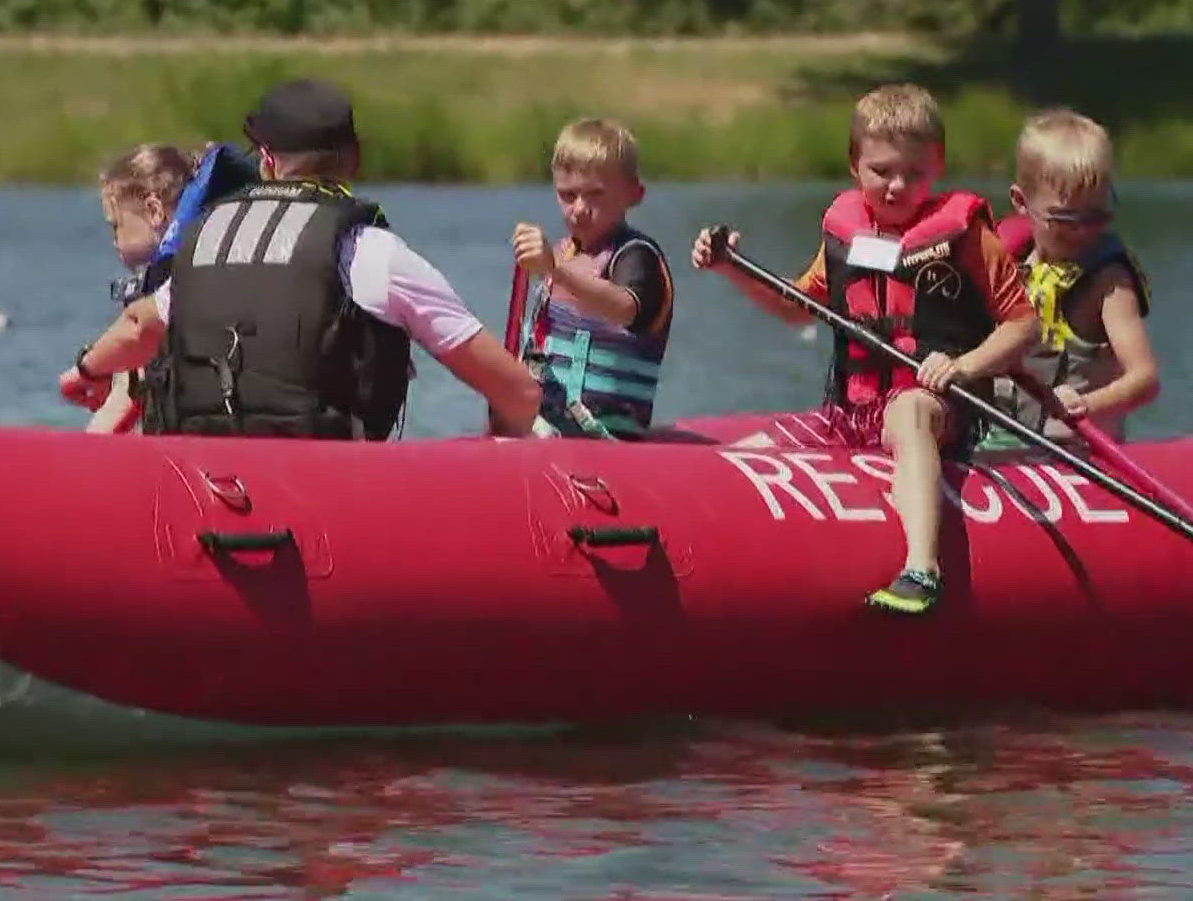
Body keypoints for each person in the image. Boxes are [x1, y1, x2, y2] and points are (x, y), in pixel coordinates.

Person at [691, 83, 1037, 616]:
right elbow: (796, 307)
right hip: (851, 412)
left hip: (938, 405)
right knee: (747, 457)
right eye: (881, 171)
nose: (897, 186)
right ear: (855, 164)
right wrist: (732, 269)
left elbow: (1022, 328)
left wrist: (962, 366)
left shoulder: (968, 236)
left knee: (909, 411)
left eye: (914, 173)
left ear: (938, 164)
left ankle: (922, 568)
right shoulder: (843, 230)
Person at [59, 78, 541, 439]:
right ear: (353, 160)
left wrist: (86, 372)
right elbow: (515, 391)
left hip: (202, 479)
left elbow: (140, 327)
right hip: (324, 489)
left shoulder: (205, 235)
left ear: (266, 160)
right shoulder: (372, 251)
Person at [985, 109, 1159, 445]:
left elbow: (1145, 379)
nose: (1082, 232)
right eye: (1065, 219)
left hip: (1073, 447)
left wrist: (1086, 405)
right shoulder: (1008, 267)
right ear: (1021, 202)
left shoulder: (1109, 282)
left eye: (1096, 216)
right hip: (1001, 440)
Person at [510, 118, 674, 438]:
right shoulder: (560, 254)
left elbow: (625, 308)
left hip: (607, 437)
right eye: (568, 195)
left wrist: (556, 272)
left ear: (634, 194)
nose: (580, 209)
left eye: (595, 195)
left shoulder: (635, 255)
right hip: (545, 428)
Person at [87, 141, 259, 434]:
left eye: (116, 225)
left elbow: (118, 409)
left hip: (188, 449)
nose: (114, 239)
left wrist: (86, 370)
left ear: (154, 211)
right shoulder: (225, 264)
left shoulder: (162, 293)